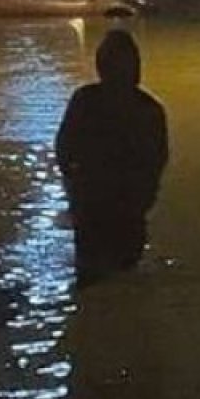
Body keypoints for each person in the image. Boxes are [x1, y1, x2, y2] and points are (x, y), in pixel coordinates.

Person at [56, 29, 168, 285]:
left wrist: (75, 188)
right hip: (118, 208)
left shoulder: (85, 100)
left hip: (99, 207)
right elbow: (157, 161)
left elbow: (64, 150)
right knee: (125, 282)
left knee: (93, 281)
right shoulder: (149, 110)